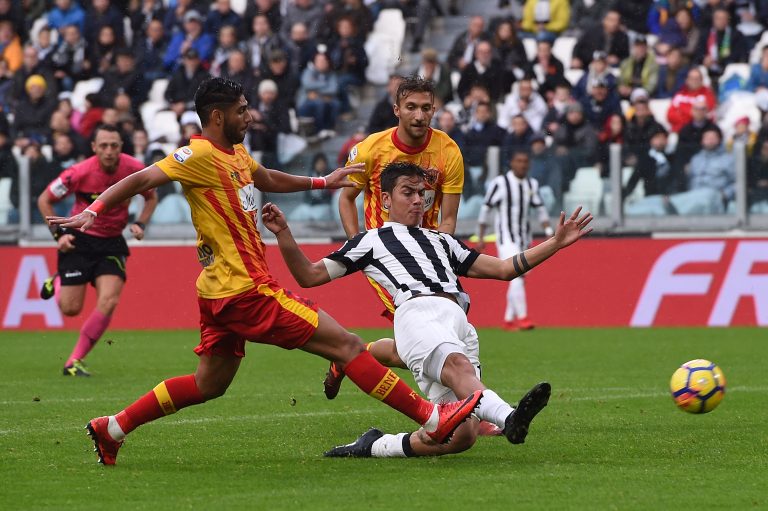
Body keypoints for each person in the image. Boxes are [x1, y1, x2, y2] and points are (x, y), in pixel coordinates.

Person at [48, 78, 481, 465]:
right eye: (241, 110)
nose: (249, 116)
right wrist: (93, 209)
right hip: (246, 290)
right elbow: (141, 180)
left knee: (208, 384)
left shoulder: (234, 152)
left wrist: (322, 182)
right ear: (217, 116)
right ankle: (432, 416)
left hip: (218, 291)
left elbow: (266, 176)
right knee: (348, 346)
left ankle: (113, 428)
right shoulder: (195, 153)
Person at [260, 162, 593, 457]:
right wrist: (284, 234)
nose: (419, 199)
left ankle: (375, 445)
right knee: (458, 368)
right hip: (417, 314)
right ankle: (510, 419)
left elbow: (505, 269)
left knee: (462, 436)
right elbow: (309, 275)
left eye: (422, 193)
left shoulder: (441, 241)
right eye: (409, 192)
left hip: (459, 324)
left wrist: (555, 243)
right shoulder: (371, 240)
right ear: (386, 199)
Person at [325, 75, 464, 400]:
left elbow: (450, 218)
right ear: (397, 109)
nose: (419, 115)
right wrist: (361, 249)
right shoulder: (371, 149)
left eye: (426, 108)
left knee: (419, 344)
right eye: (411, 107)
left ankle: (349, 357)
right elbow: (346, 199)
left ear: (434, 110)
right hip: (387, 259)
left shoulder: (448, 151)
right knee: (432, 337)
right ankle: (460, 410)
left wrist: (439, 260)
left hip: (427, 257)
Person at [38, 124, 158, 376]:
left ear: (120, 147)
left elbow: (151, 196)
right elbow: (44, 199)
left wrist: (140, 222)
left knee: (110, 300)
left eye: (114, 145)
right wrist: (58, 235)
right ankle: (58, 280)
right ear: (94, 147)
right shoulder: (78, 173)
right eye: (103, 145)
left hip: (111, 242)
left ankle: (74, 361)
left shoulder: (134, 169)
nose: (109, 151)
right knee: (70, 308)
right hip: (78, 240)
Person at [476, 150, 553, 331]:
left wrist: (549, 230)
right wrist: (480, 237)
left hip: (524, 238)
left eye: (525, 161)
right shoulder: (500, 183)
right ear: (511, 163)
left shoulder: (531, 184)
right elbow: (486, 209)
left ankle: (509, 320)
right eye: (518, 161)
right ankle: (523, 317)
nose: (522, 165)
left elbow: (540, 208)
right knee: (516, 275)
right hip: (506, 238)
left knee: (519, 278)